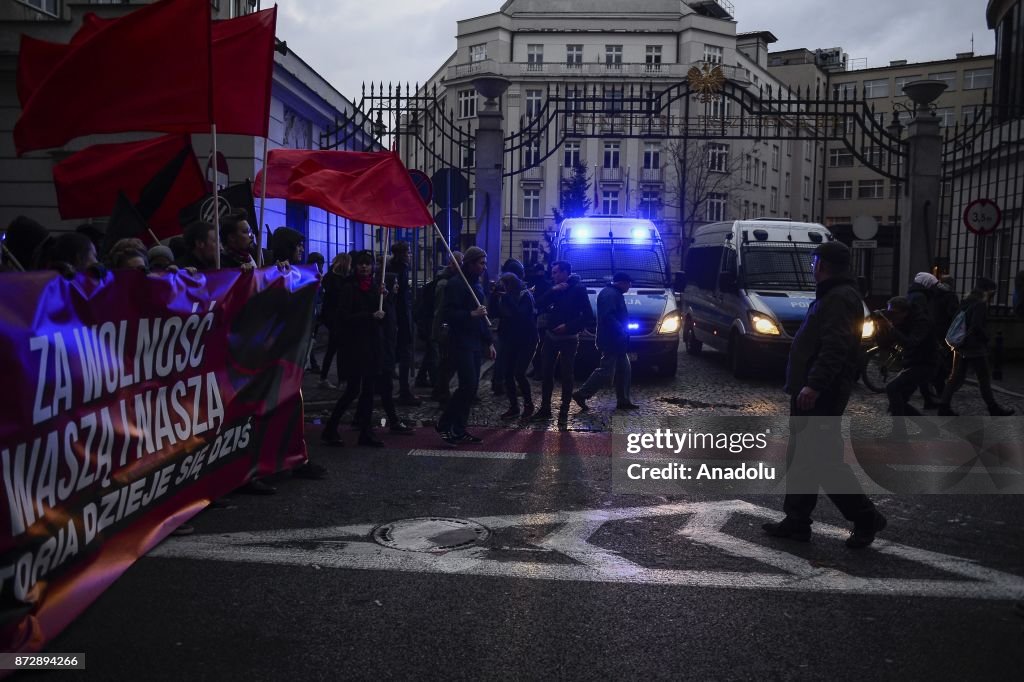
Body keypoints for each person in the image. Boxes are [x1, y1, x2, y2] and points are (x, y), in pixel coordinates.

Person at [762, 241, 888, 549]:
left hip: (823, 392)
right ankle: (797, 520)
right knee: (802, 457)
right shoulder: (834, 295)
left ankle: (865, 517)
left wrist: (814, 385)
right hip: (816, 390)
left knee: (824, 460)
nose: (811, 266)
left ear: (823, 264)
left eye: (813, 261)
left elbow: (835, 346)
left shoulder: (839, 298)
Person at [321, 250, 389, 448]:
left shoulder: (375, 287)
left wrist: (386, 297)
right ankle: (330, 428)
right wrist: (369, 316)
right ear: (355, 266)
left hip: (372, 345)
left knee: (368, 391)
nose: (364, 267)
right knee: (352, 390)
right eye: (361, 264)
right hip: (354, 347)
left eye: (368, 264)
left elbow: (383, 316)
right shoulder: (349, 288)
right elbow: (343, 317)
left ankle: (366, 432)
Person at [436, 246, 495, 445]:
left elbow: (483, 316)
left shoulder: (476, 285)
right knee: (467, 385)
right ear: (469, 264)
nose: (484, 267)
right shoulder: (455, 284)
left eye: (485, 263)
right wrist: (470, 314)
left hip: (475, 342)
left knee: (472, 387)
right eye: (481, 263)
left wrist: (488, 341)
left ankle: (459, 428)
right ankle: (445, 423)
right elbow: (448, 314)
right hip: (460, 342)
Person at [937, 277, 1015, 416]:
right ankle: (993, 408)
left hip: (962, 346)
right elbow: (976, 326)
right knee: (983, 378)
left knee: (955, 377)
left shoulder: (966, 301)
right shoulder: (979, 304)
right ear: (988, 290)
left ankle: (943, 405)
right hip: (975, 348)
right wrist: (986, 338)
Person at [531, 260, 595, 426]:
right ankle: (545, 409)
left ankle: (564, 410)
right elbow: (538, 304)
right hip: (550, 337)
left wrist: (568, 326)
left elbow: (588, 317)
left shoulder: (579, 289)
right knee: (547, 373)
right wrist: (552, 290)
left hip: (569, 339)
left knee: (567, 375)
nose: (553, 276)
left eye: (556, 273)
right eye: (552, 273)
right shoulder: (555, 288)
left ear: (565, 272)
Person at [573, 272, 637, 412]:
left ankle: (623, 400)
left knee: (624, 369)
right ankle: (582, 394)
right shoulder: (611, 294)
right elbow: (608, 317)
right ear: (621, 282)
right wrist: (621, 330)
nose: (630, 285)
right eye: (628, 283)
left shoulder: (612, 293)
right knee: (606, 371)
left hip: (615, 339)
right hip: (612, 340)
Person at [876, 296, 935, 421]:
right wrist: (881, 329)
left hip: (927, 362)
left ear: (905, 312)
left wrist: (892, 329)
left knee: (892, 389)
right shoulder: (900, 321)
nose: (891, 317)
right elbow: (885, 345)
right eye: (889, 313)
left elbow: (911, 343)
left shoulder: (921, 321)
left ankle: (899, 433)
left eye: (894, 314)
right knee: (898, 402)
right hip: (912, 361)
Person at [495, 271, 538, 420]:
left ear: (510, 285)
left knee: (519, 373)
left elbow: (521, 315)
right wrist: (495, 297)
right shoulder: (505, 297)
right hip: (510, 339)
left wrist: (506, 298)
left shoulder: (525, 295)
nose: (503, 288)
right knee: (508, 373)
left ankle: (528, 404)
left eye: (505, 285)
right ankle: (513, 407)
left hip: (527, 339)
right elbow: (496, 313)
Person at [388, 241, 421, 406]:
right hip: (401, 317)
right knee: (405, 354)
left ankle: (394, 387)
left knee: (397, 354)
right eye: (408, 252)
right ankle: (404, 390)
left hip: (399, 315)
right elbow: (399, 295)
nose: (410, 255)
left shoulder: (395, 267)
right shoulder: (400, 268)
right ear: (402, 254)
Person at [489, 258, 527, 395]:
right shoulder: (508, 288)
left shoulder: (501, 286)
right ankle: (500, 383)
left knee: (504, 356)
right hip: (508, 326)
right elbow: (512, 310)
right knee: (505, 356)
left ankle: (498, 382)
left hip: (505, 326)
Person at [429, 252, 463, 403]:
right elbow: (440, 310)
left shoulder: (454, 280)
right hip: (445, 329)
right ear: (451, 264)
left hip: (449, 328)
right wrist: (441, 329)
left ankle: (439, 391)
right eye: (459, 262)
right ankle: (441, 393)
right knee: (447, 363)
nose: (462, 266)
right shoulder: (444, 283)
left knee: (448, 363)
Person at [319, 253, 351, 388]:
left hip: (330, 317)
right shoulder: (341, 280)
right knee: (339, 348)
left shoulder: (329, 277)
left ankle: (324, 378)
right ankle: (341, 379)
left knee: (333, 348)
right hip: (337, 317)